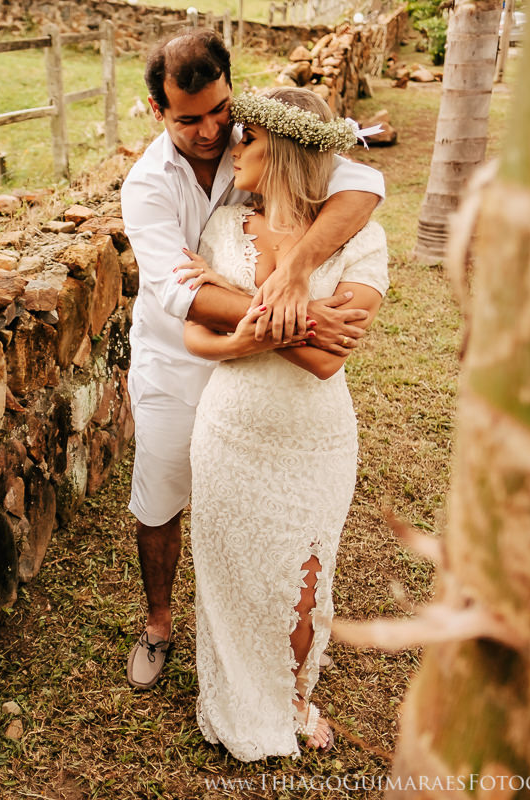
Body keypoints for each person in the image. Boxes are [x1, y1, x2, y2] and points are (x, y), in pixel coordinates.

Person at [121, 28, 385, 693]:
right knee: (160, 494)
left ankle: (252, 637)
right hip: (177, 356)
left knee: (242, 508)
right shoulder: (146, 186)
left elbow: (361, 182)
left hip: (260, 368)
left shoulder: (258, 137)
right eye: (190, 119)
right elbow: (184, 294)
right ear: (158, 112)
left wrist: (296, 269)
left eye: (219, 110)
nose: (211, 130)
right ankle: (157, 622)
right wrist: (304, 319)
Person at [180, 86, 389, 758]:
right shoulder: (219, 228)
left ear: (287, 147)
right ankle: (234, 699)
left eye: (249, 140)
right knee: (232, 573)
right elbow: (193, 334)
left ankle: (294, 702)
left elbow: (329, 361)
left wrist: (238, 310)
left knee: (304, 581)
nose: (232, 149)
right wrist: (267, 327)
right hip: (230, 430)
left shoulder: (362, 235)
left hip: (313, 436)